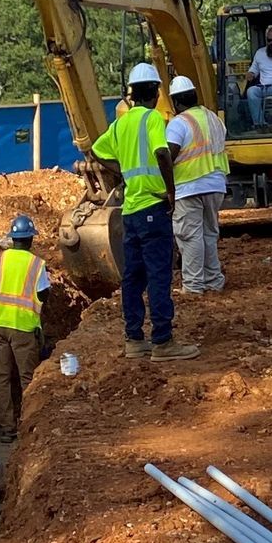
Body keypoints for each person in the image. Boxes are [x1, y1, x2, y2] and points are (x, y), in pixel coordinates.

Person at [92, 62, 199, 360]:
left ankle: (134, 339)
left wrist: (124, 172)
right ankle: (163, 341)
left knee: (133, 276)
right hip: (153, 204)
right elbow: (162, 153)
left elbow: (98, 151)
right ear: (155, 91)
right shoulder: (152, 119)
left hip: (130, 211)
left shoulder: (120, 124)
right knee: (159, 274)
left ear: (131, 93)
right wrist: (171, 191)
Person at [161, 72, 228, 295]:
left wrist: (168, 189)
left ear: (176, 101)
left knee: (190, 236)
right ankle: (214, 281)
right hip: (216, 184)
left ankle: (193, 285)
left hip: (189, 186)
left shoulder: (179, 123)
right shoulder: (214, 119)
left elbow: (168, 154)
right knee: (209, 234)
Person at [0, 213, 50, 436]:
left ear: (13, 238)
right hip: (23, 328)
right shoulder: (37, 264)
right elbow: (43, 294)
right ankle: (27, 426)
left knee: (1, 377)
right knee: (27, 378)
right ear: (30, 239)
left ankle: (7, 428)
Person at [244, 20, 272, 127]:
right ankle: (259, 124)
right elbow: (253, 70)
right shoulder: (260, 53)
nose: (271, 43)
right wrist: (250, 74)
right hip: (263, 88)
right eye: (269, 40)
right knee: (251, 92)